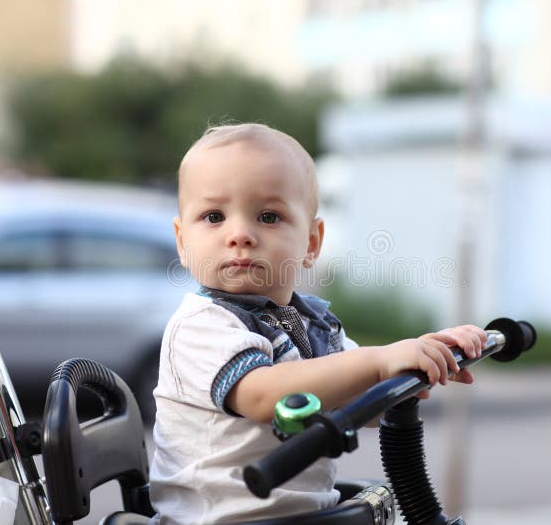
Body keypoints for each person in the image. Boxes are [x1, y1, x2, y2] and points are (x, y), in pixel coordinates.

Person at [149, 123, 486, 524]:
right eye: (214, 216)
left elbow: (366, 398)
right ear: (182, 241)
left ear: (311, 242)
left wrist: (422, 357)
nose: (240, 234)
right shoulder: (201, 326)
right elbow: (262, 396)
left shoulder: (311, 323)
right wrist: (379, 362)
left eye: (268, 216)